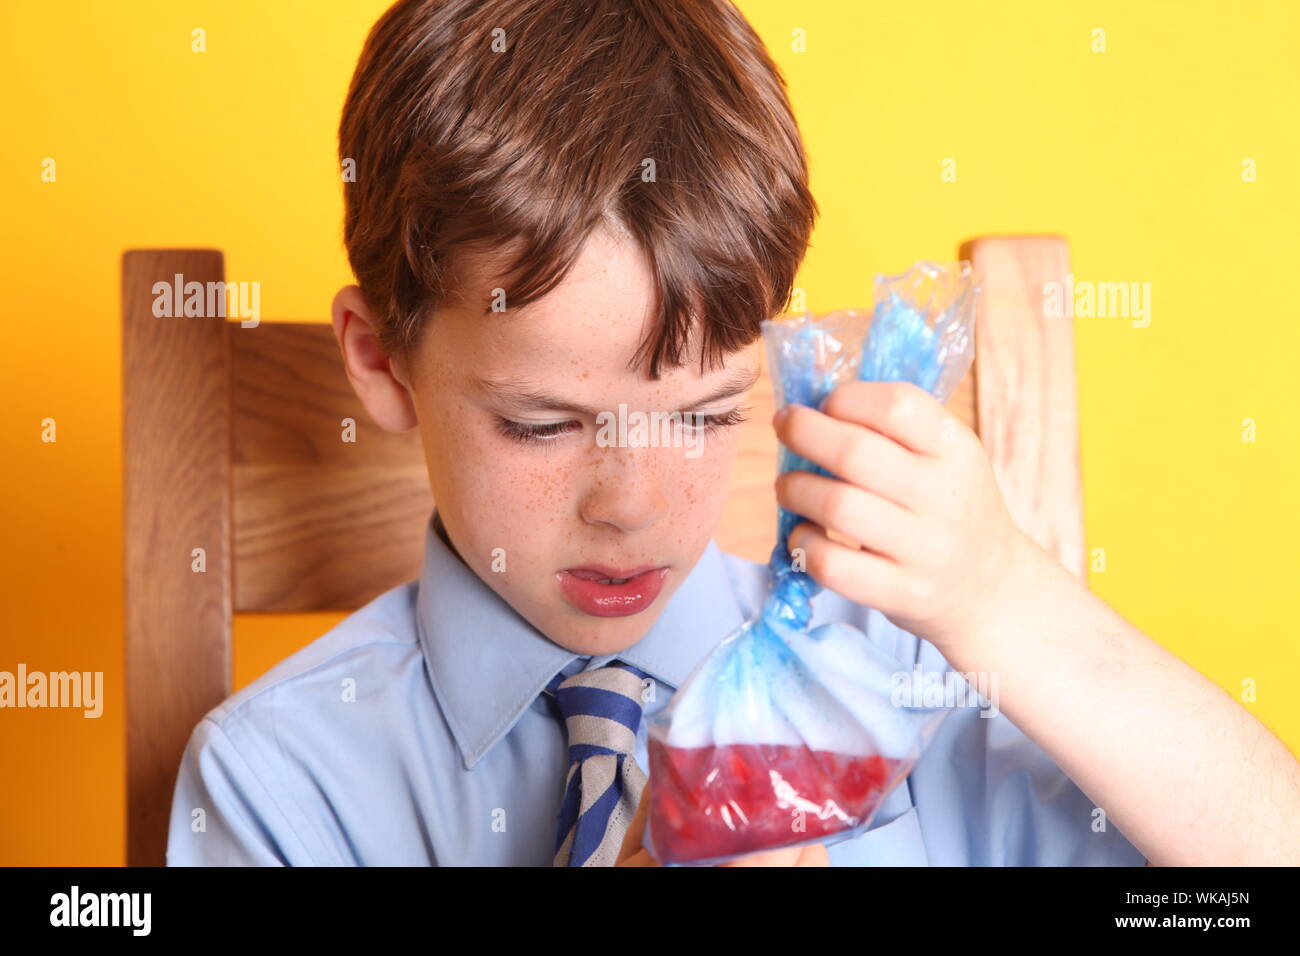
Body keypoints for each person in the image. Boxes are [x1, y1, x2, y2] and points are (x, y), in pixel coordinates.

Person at [166, 0, 1300, 867]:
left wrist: (1009, 601)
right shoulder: (282, 780)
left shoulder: (901, 670)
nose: (632, 505)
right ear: (381, 362)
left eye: (706, 414)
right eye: (540, 423)